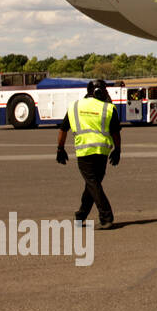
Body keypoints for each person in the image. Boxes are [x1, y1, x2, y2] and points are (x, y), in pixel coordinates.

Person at [56, 79, 122, 229]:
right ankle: (81, 215)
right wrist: (118, 150)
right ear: (101, 91)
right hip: (102, 152)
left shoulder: (75, 106)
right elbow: (115, 133)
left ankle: (106, 217)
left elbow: (63, 129)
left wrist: (60, 148)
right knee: (93, 184)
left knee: (92, 184)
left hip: (84, 152)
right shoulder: (109, 108)